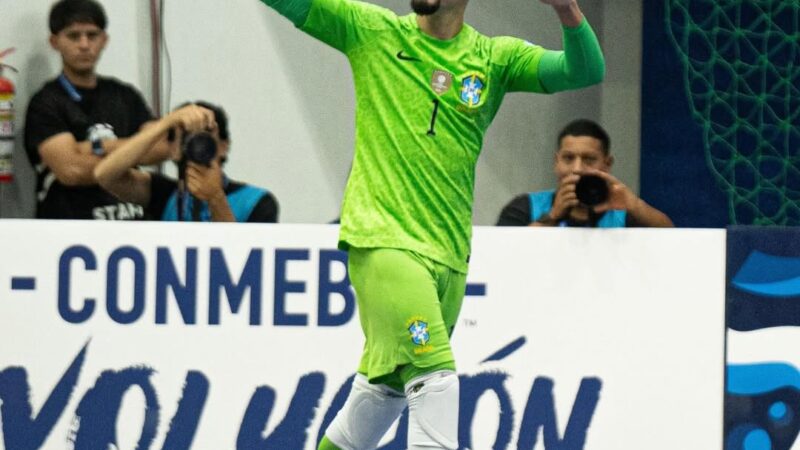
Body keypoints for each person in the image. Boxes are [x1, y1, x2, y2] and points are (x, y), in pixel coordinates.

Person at [257, 0, 604, 448]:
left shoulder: (494, 58)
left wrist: (567, 10)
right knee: (435, 381)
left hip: (449, 260)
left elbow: (583, 71)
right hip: (385, 247)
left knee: (380, 397)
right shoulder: (372, 31)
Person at [23, 0, 169, 220]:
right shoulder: (46, 102)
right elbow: (71, 171)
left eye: (92, 35)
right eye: (73, 36)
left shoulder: (125, 95)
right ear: (54, 42)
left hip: (132, 226)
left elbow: (161, 147)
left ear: (104, 40)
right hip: (69, 232)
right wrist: (134, 149)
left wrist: (93, 147)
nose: (84, 44)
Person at [93, 101, 279, 223]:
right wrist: (167, 123)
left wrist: (216, 198)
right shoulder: (165, 194)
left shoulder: (256, 201)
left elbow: (247, 259)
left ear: (223, 146)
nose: (197, 143)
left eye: (205, 134)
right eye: (187, 135)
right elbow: (105, 175)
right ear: (173, 149)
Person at [497, 119, 674, 227]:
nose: (577, 168)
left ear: (607, 164)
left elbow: (674, 240)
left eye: (589, 160)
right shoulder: (526, 207)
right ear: (556, 162)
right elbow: (503, 253)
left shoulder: (621, 214)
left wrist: (634, 204)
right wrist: (552, 216)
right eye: (568, 158)